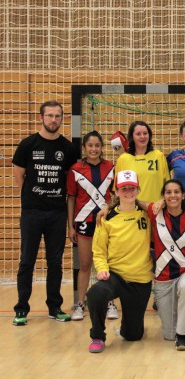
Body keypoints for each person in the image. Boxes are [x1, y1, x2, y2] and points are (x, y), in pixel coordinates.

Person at [12, 100, 79, 326]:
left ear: (62, 119)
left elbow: (70, 180)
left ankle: (55, 307)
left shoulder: (68, 148)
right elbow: (19, 175)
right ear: (41, 117)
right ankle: (21, 308)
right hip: (32, 212)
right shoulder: (28, 144)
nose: (53, 120)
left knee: (55, 262)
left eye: (57, 116)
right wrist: (33, 197)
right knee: (27, 261)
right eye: (49, 115)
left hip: (57, 213)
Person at [87, 170, 153, 353]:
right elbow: (98, 250)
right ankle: (97, 336)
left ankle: (128, 328)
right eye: (124, 188)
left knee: (133, 336)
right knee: (95, 293)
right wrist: (102, 268)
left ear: (138, 190)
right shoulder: (106, 218)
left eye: (132, 188)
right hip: (115, 276)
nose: (128, 192)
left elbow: (162, 205)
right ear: (116, 191)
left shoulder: (147, 214)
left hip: (140, 279)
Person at [148, 180, 185, 351]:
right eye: (168, 192)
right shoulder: (155, 213)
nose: (173, 195)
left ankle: (182, 336)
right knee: (169, 335)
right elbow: (132, 199)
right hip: (163, 279)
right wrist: (106, 207)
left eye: (176, 192)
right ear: (163, 196)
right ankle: (176, 333)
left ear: (183, 195)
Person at [67, 131, 115, 321]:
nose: (94, 149)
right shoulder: (75, 170)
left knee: (108, 264)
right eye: (90, 145)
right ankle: (80, 304)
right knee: (85, 264)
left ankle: (110, 302)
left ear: (102, 147)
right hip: (83, 222)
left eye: (97, 145)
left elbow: (116, 195)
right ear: (84, 148)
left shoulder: (111, 167)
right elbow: (71, 198)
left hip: (106, 223)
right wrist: (71, 226)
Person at [115, 120, 170, 203]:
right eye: (138, 134)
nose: (142, 136)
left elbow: (168, 185)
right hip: (132, 208)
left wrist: (163, 201)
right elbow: (117, 190)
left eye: (145, 133)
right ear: (132, 137)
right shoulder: (123, 159)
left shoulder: (159, 156)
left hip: (155, 208)